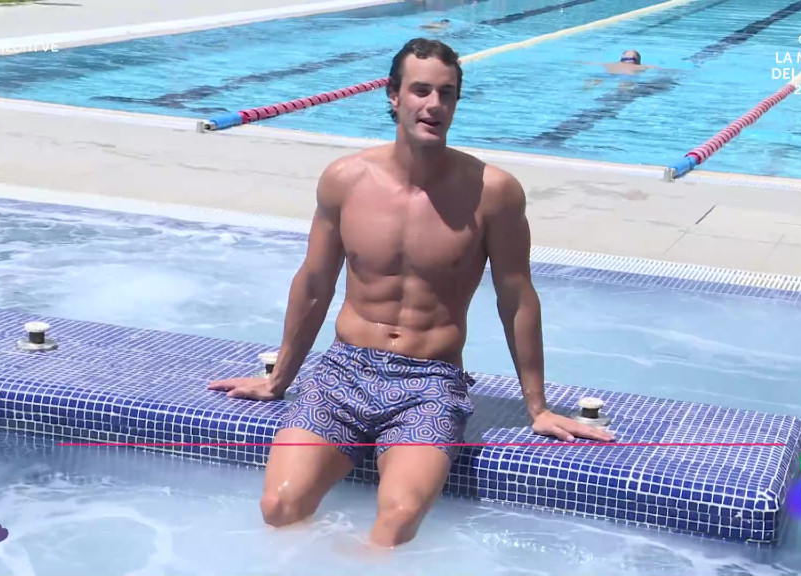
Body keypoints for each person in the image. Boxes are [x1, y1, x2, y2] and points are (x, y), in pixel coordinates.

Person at [207, 37, 616, 549]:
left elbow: (516, 297)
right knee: (279, 506)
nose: (434, 105)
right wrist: (279, 379)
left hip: (429, 384)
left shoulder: (492, 192)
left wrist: (538, 407)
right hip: (342, 373)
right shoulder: (346, 180)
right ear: (394, 95)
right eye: (421, 90)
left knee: (398, 519)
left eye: (447, 93)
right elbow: (314, 282)